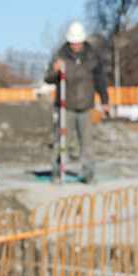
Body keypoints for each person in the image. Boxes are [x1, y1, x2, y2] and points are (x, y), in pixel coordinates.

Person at [43, 21, 110, 184]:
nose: (75, 46)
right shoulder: (60, 56)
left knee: (87, 142)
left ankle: (88, 174)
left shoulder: (92, 56)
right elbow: (47, 78)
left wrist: (105, 101)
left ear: (83, 40)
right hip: (66, 107)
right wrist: (55, 70)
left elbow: (100, 80)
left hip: (86, 106)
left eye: (78, 42)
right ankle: (57, 172)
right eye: (73, 43)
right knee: (61, 141)